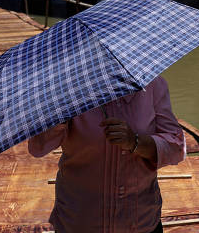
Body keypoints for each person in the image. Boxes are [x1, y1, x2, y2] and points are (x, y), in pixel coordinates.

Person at [28, 75, 185, 233]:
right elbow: (37, 147)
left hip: (140, 223)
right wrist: (60, 114)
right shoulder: (66, 88)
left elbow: (176, 146)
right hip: (80, 222)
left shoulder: (152, 85)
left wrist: (135, 142)